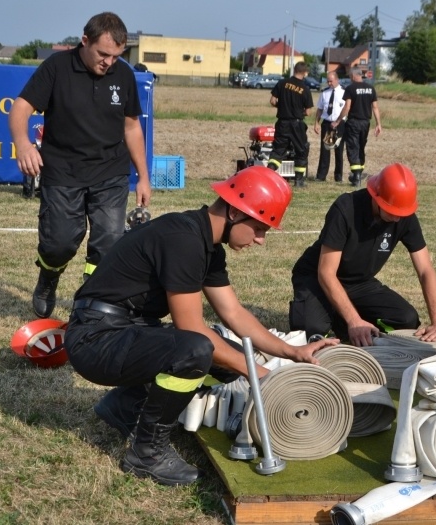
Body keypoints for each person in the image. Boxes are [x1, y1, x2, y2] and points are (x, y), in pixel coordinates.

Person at [63, 166, 338, 486]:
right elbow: (192, 329)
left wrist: (293, 352)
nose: (261, 240)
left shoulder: (205, 243)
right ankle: (146, 453)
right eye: (261, 228)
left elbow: (234, 313)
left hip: (119, 331)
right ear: (236, 212)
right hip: (96, 340)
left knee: (224, 351)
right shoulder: (184, 239)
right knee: (197, 350)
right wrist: (260, 375)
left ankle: (126, 407)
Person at [9, 12, 151, 319]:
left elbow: (131, 128)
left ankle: (91, 304)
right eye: (103, 54)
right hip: (63, 172)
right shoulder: (56, 68)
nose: (109, 62)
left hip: (110, 172)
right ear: (84, 41)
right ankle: (48, 276)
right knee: (59, 242)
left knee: (109, 244)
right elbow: (21, 107)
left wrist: (143, 176)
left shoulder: (124, 75)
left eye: (116, 56)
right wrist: (22, 143)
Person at [289, 163, 436, 347]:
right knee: (310, 331)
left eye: (402, 213)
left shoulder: (404, 215)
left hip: (359, 282)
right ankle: (340, 317)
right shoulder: (345, 209)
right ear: (377, 197)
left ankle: (343, 320)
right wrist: (354, 321)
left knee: (406, 319)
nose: (398, 218)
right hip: (317, 279)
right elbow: (326, 273)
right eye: (392, 211)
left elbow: (425, 270)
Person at [331, 67, 382, 187]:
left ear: (354, 76)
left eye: (349, 76)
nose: (349, 78)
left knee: (353, 148)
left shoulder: (350, 88)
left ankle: (356, 176)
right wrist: (379, 124)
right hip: (366, 123)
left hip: (354, 122)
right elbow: (375, 107)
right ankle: (358, 173)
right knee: (361, 147)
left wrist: (338, 120)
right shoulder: (370, 88)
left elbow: (347, 107)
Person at [266, 61, 314, 188]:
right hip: (297, 124)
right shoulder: (305, 89)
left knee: (278, 150)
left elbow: (272, 100)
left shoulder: (282, 83)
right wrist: (299, 111)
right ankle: (298, 181)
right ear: (305, 73)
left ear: (294, 70)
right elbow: (308, 112)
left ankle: (268, 175)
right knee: (301, 150)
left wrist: (281, 106)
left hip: (282, 122)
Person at [314, 72, 346, 182]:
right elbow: (320, 109)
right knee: (325, 149)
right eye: (328, 81)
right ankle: (321, 176)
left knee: (339, 150)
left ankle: (338, 177)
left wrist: (339, 121)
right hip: (327, 123)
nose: (329, 83)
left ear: (337, 80)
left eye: (331, 81)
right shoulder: (325, 93)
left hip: (340, 123)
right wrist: (316, 122)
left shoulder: (344, 92)